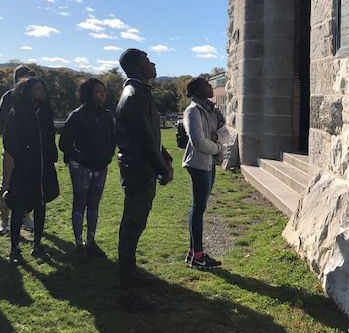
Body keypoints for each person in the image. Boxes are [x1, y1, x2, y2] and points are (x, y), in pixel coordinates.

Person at [115, 48, 173, 312]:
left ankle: (131, 274)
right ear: (138, 68)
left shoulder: (140, 93)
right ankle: (126, 291)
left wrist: (164, 156)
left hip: (142, 169)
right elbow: (143, 139)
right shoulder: (135, 95)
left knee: (135, 226)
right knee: (131, 227)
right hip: (139, 171)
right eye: (148, 61)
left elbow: (151, 136)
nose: (153, 63)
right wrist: (162, 168)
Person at [3, 77, 59, 264]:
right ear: (27, 92)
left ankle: (37, 245)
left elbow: (50, 136)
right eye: (37, 89)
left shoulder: (45, 112)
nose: (41, 93)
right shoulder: (17, 113)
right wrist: (23, 157)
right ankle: (15, 249)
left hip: (43, 168)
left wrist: (51, 154)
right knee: (19, 207)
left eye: (43, 89)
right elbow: (9, 141)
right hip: (24, 169)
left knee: (41, 205)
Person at [59, 78, 115, 259]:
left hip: (101, 167)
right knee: (79, 204)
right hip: (81, 168)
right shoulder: (77, 115)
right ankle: (78, 243)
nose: (102, 94)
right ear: (88, 93)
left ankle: (91, 240)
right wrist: (81, 158)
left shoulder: (106, 115)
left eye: (103, 91)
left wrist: (107, 157)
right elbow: (64, 143)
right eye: (98, 91)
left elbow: (112, 139)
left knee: (94, 205)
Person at [182, 77, 225, 269]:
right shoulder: (193, 111)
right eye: (207, 84)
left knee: (199, 208)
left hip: (209, 163)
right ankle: (198, 255)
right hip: (199, 163)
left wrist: (217, 137)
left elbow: (226, 132)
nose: (211, 87)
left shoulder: (212, 110)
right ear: (198, 90)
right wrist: (217, 147)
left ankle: (193, 253)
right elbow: (198, 142)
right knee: (198, 209)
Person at [0, 65, 36, 235]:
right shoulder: (8, 97)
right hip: (12, 149)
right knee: (7, 183)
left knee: (29, 183)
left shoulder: (34, 97)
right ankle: (4, 219)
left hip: (30, 150)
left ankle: (25, 215)